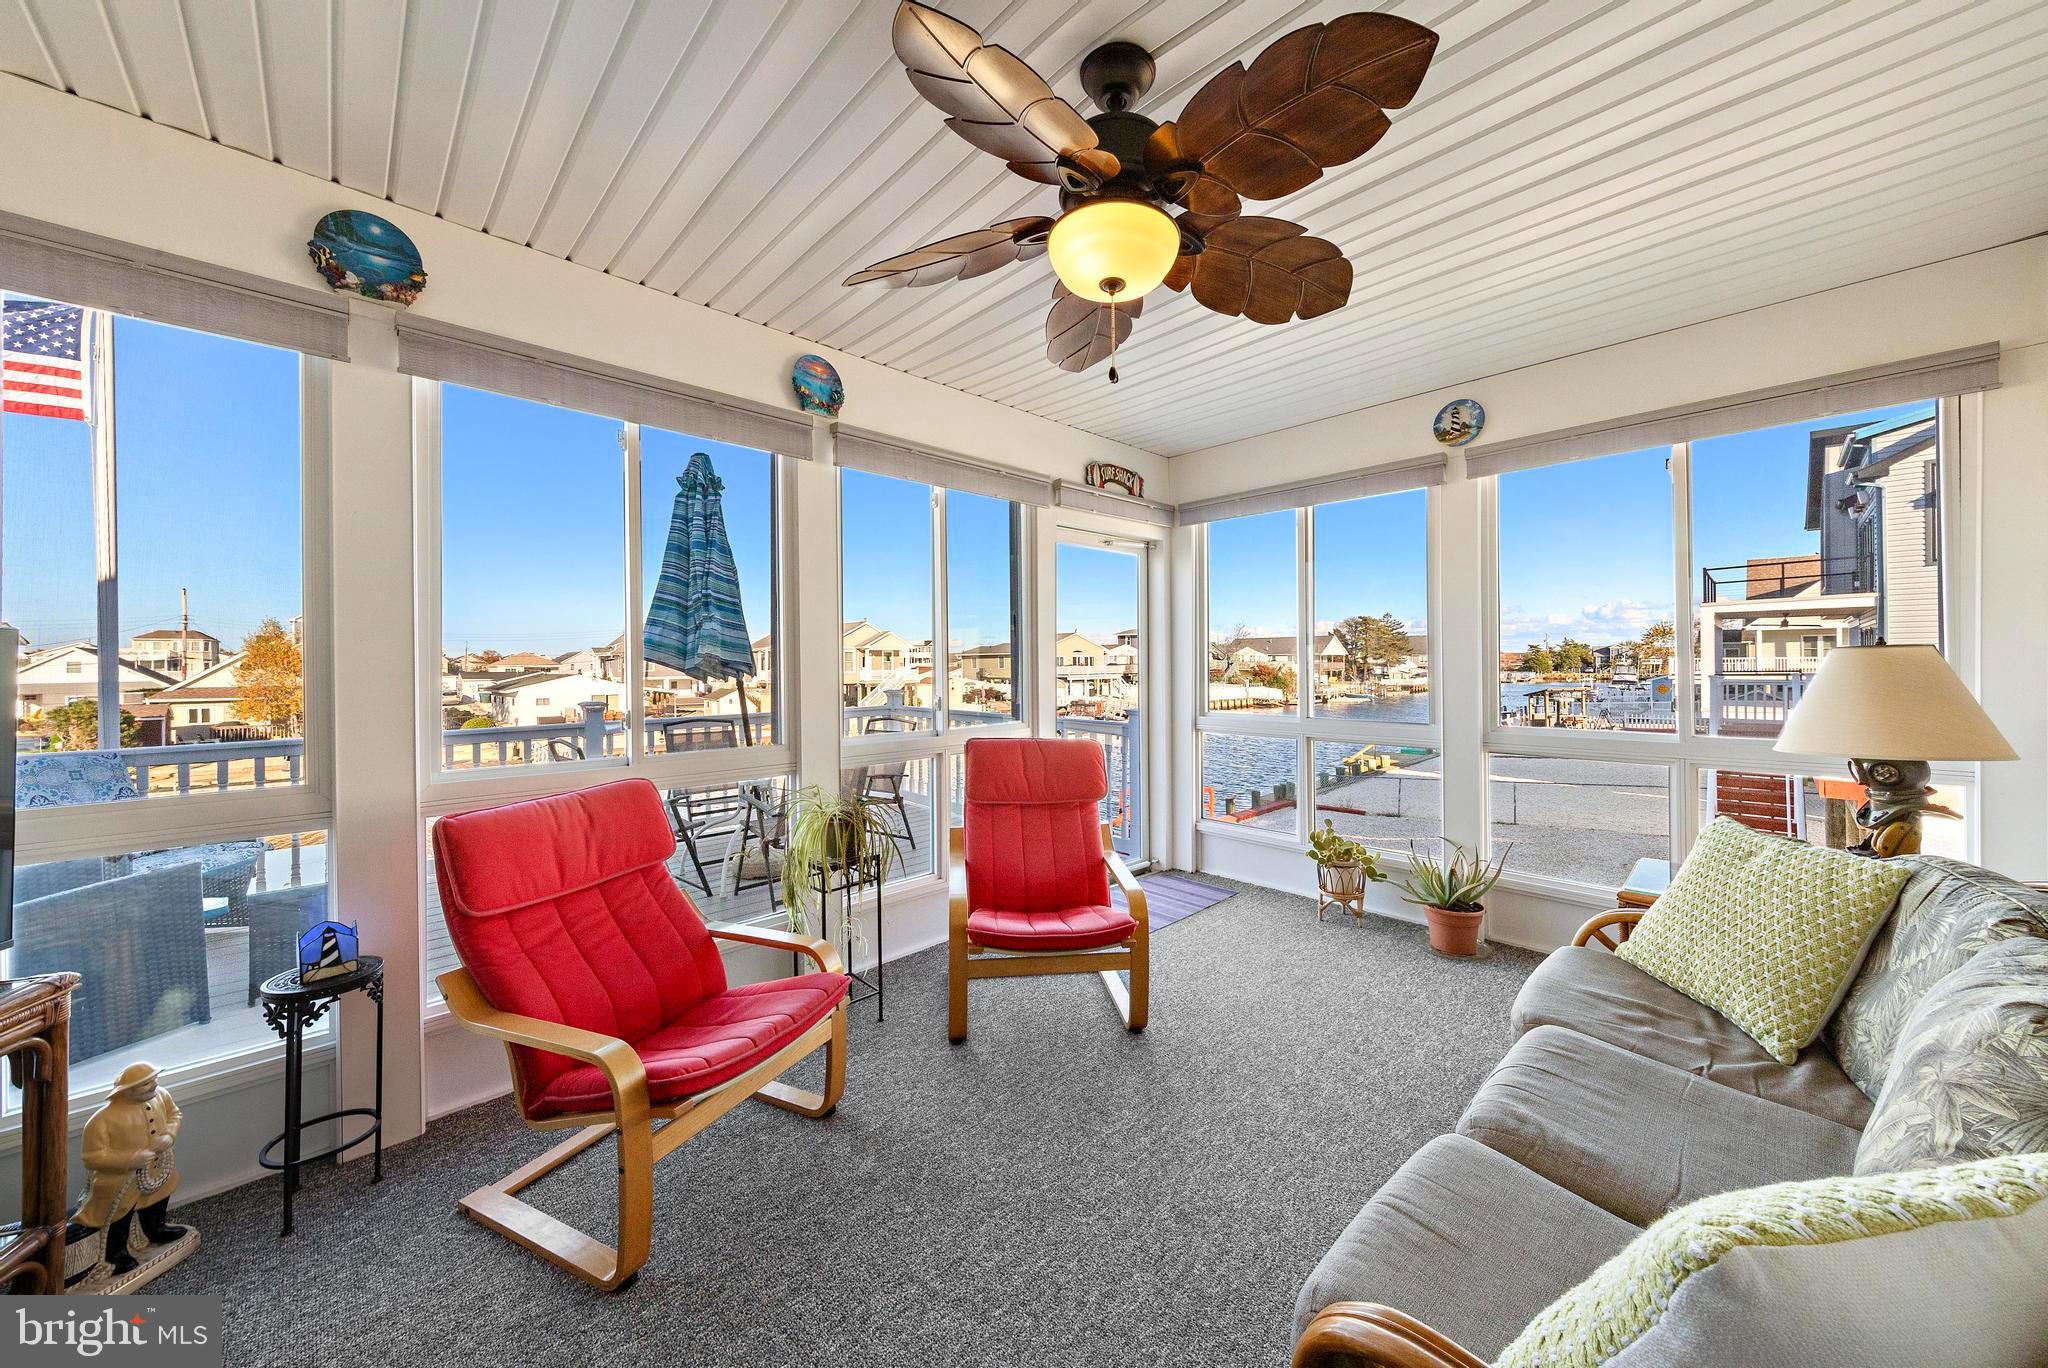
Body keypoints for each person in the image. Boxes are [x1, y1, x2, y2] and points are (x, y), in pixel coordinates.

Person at [68, 1062, 187, 1276]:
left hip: (158, 1169)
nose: (153, 1086)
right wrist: (129, 1160)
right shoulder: (102, 1120)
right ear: (127, 1090)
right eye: (146, 1084)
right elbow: (92, 1157)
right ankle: (116, 1254)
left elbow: (174, 1114)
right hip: (121, 1181)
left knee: (158, 1200)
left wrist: (169, 1135)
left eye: (154, 1080)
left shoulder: (161, 1096)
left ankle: (156, 1229)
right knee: (118, 1217)